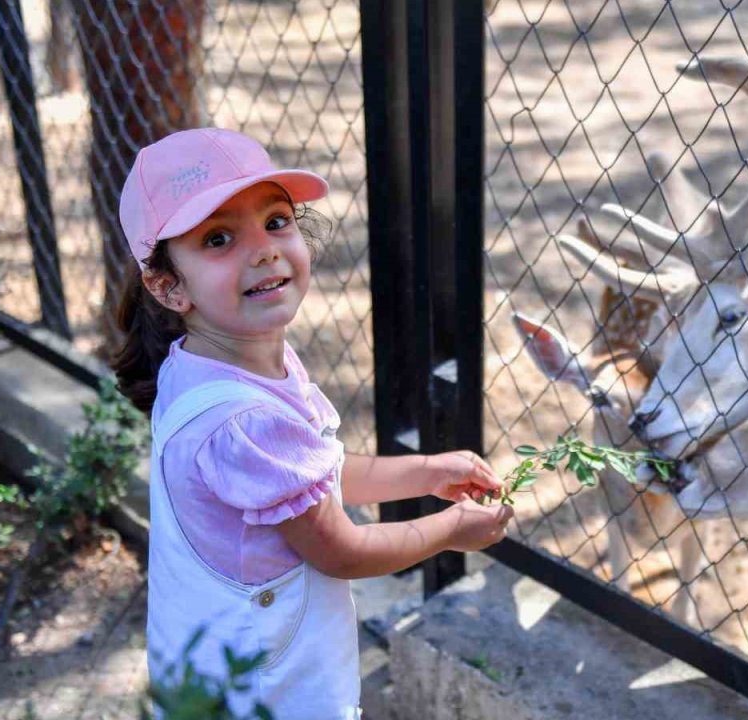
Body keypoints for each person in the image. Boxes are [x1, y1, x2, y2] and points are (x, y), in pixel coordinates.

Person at [111, 127, 513, 719]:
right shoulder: (243, 419)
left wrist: (425, 471)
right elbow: (342, 550)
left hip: (217, 673)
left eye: (276, 221)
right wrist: (451, 529)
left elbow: (308, 475)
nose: (264, 250)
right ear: (168, 287)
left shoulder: (202, 364)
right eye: (219, 238)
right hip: (268, 696)